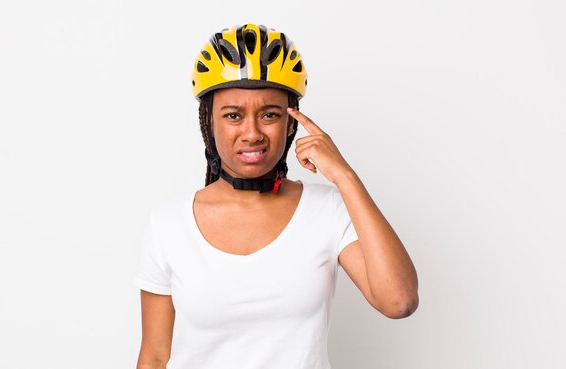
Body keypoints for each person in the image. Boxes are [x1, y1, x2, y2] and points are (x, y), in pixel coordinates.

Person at [135, 23, 419, 369]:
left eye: (269, 114)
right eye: (233, 115)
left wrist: (344, 175)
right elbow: (155, 355)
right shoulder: (168, 224)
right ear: (209, 122)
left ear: (290, 123)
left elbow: (399, 301)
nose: (252, 133)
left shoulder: (327, 208)